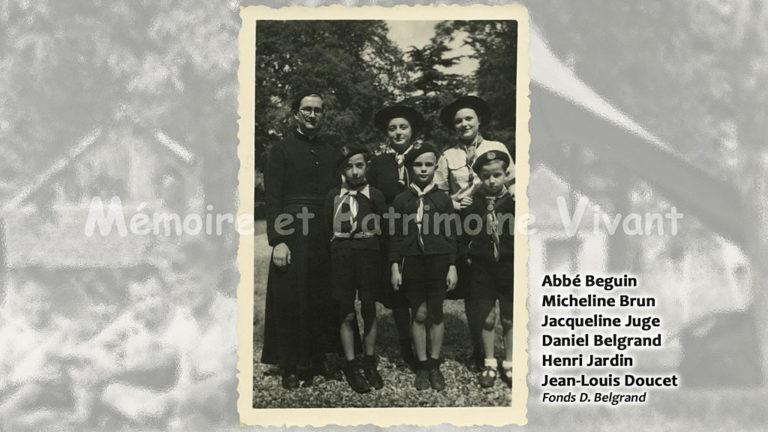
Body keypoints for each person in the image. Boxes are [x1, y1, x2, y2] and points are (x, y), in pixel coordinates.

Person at [261, 89, 342, 389]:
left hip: (322, 229)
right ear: (296, 113)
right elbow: (273, 198)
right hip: (292, 231)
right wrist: (278, 240)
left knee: (321, 293)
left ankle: (317, 356)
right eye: (306, 109)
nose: (312, 115)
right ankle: (290, 364)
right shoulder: (280, 150)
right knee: (290, 296)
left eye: (317, 110)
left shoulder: (331, 150)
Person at [435, 95, 515, 369]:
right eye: (458, 121)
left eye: (468, 118)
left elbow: (512, 184)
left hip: (495, 222)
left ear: (479, 121)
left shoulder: (497, 148)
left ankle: (503, 354)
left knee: (502, 291)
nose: (463, 124)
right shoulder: (448, 156)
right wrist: (454, 203)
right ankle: (479, 350)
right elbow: (440, 194)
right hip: (464, 225)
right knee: (474, 290)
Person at [389, 144, 458, 391]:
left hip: (438, 261)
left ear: (435, 167)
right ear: (410, 168)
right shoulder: (401, 200)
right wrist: (395, 267)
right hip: (413, 262)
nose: (424, 169)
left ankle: (435, 364)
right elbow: (395, 235)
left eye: (429, 164)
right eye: (418, 164)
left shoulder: (442, 199)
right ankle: (421, 364)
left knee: (436, 313)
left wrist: (452, 266)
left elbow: (451, 235)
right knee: (418, 313)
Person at [325, 144, 386, 393]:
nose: (354, 171)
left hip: (369, 257)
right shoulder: (333, 196)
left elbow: (385, 229)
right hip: (342, 259)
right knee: (346, 312)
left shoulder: (375, 195)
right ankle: (351, 364)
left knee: (369, 309)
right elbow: (326, 230)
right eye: (349, 166)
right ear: (342, 169)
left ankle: (369, 362)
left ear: (366, 167)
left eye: (359, 165)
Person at [367, 105, 425, 367]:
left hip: (420, 229)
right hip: (391, 231)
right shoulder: (379, 163)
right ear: (386, 134)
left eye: (403, 127)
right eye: (393, 128)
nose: (398, 132)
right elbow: (373, 197)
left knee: (419, 285)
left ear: (412, 131)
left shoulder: (424, 157)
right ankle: (405, 342)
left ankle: (421, 338)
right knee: (398, 288)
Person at [462, 150, 515, 388]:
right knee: (487, 317)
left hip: (508, 265)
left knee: (509, 317)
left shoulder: (516, 203)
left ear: (506, 175)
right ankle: (490, 363)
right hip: (483, 267)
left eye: (497, 175)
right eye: (486, 176)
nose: (492, 181)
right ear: (480, 178)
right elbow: (464, 234)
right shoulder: (473, 204)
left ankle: (510, 364)